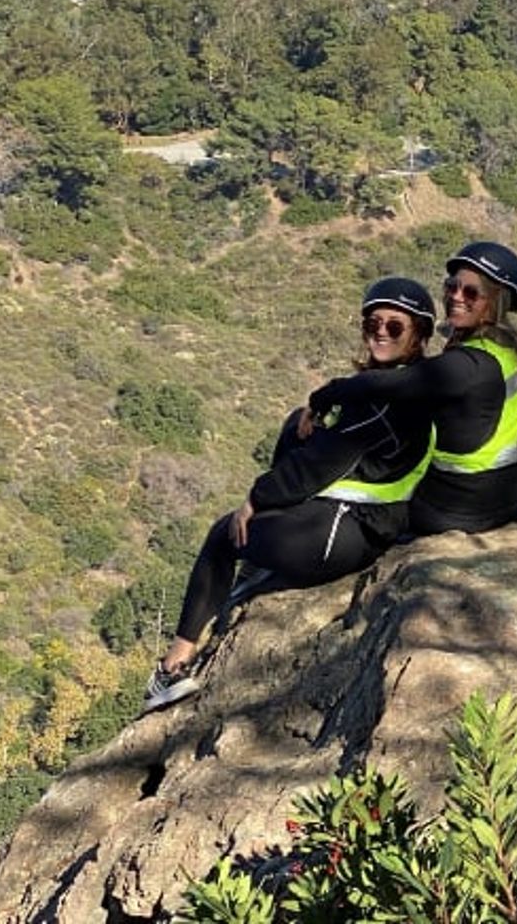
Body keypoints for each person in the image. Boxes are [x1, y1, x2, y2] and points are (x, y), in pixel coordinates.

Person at [141, 276, 438, 713]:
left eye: (396, 326)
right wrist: (313, 414)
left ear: (419, 336)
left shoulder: (386, 401)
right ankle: (262, 558)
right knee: (295, 424)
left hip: (344, 534)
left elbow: (321, 463)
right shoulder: (402, 386)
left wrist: (257, 499)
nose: (380, 331)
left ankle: (172, 669)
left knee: (224, 534)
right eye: (373, 322)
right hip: (361, 521)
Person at [307, 241, 517, 535]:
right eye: (452, 286)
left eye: (470, 292)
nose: (456, 297)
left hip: (453, 511)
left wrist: (321, 398)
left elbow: (385, 384)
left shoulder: (465, 365)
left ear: (495, 301)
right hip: (505, 498)